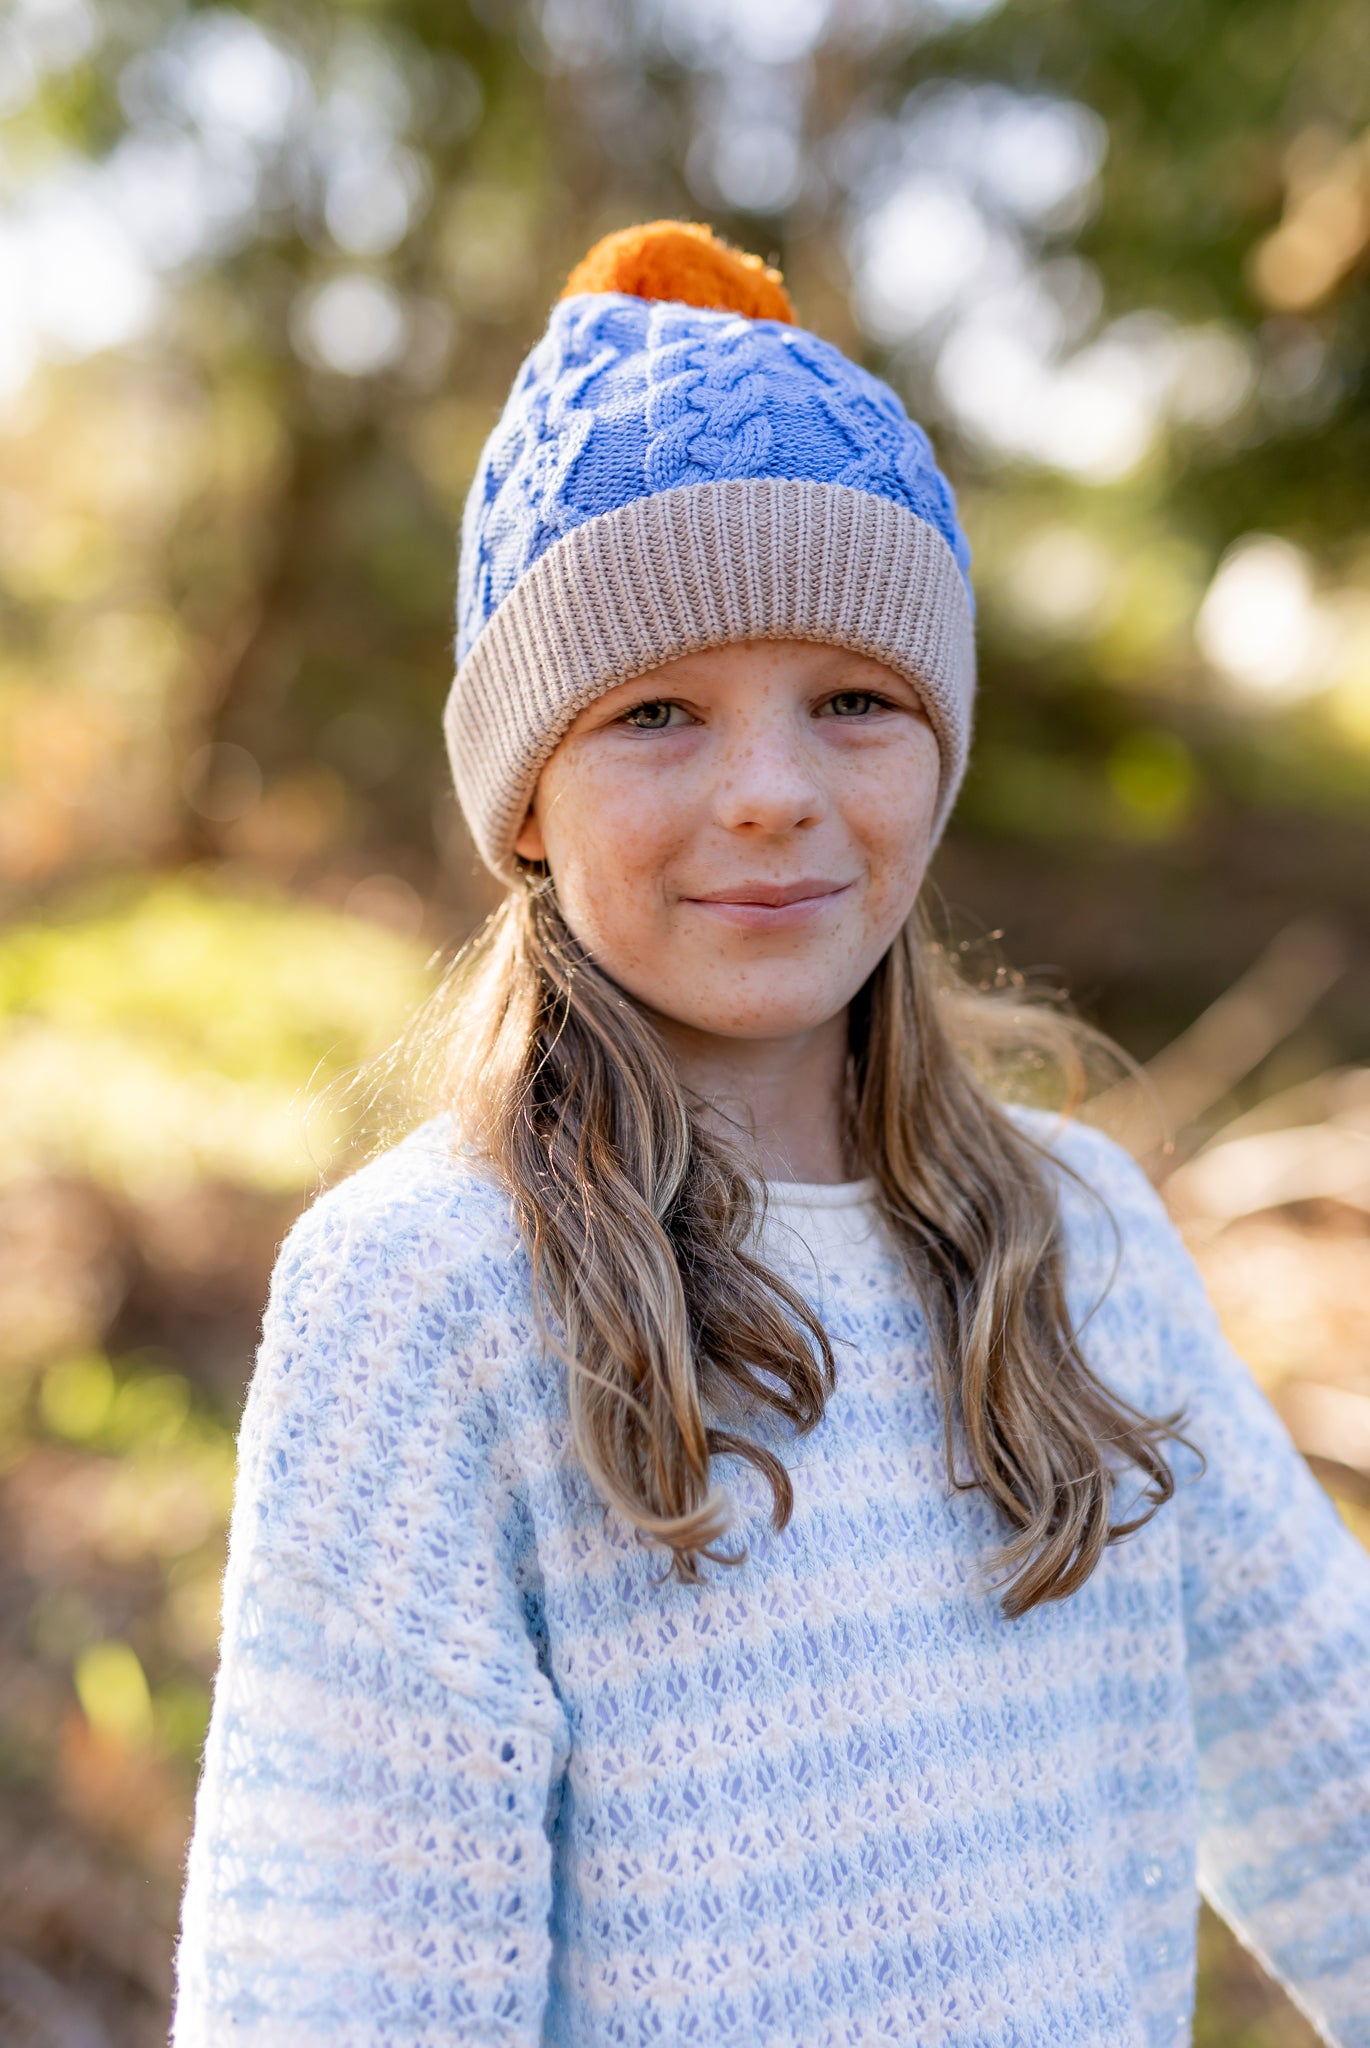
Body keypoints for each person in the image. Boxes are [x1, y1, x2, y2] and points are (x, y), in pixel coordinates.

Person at [171, 221, 1370, 2047]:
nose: (768, 797)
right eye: (655, 711)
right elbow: (341, 1999)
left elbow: (1339, 1792)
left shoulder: (1086, 1242)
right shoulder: (425, 1302)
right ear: (523, 799)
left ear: (939, 746)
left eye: (853, 702)